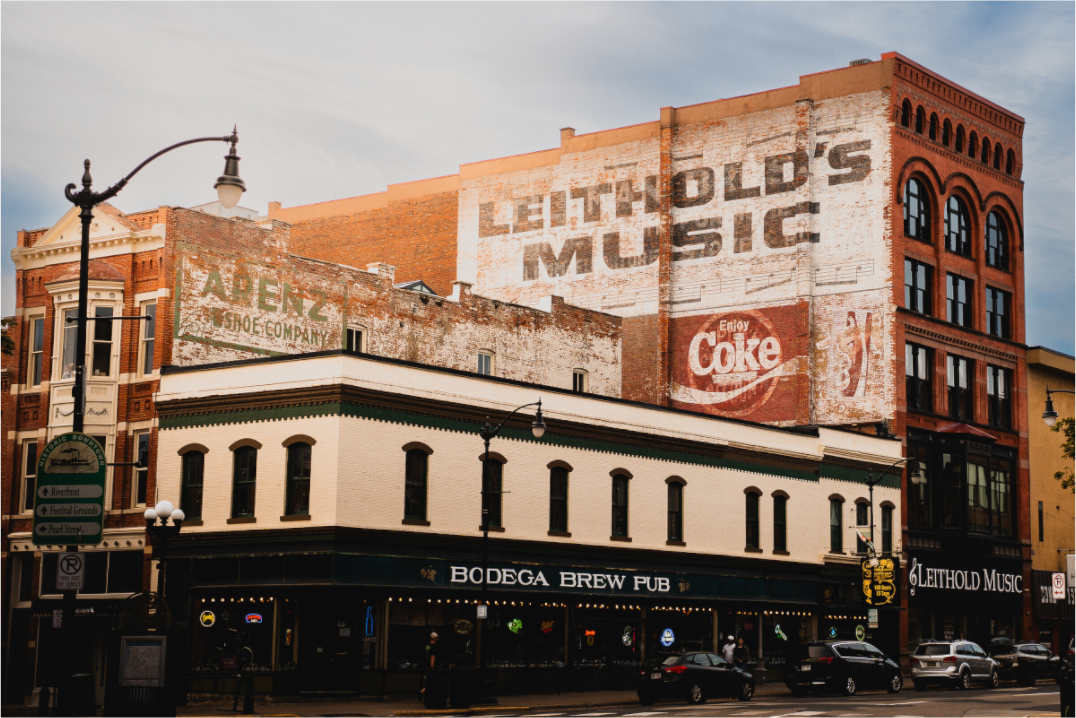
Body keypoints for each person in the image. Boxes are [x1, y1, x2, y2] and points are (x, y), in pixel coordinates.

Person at [419, 632, 439, 701]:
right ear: (435, 638)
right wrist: (432, 667)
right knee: (432, 680)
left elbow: (426, 654)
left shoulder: (427, 646)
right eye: (437, 637)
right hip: (430, 666)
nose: (438, 639)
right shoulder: (434, 646)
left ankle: (423, 693)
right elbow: (432, 657)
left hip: (426, 665)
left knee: (429, 680)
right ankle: (423, 692)